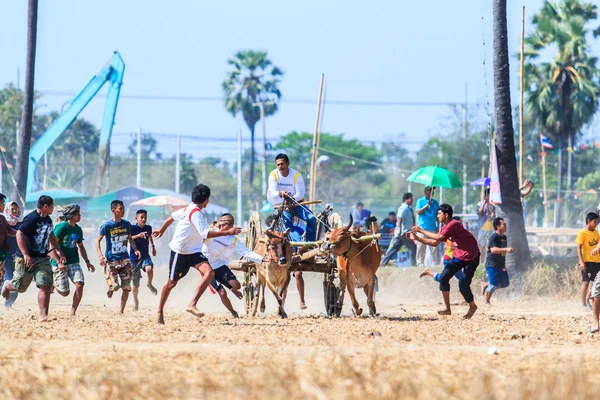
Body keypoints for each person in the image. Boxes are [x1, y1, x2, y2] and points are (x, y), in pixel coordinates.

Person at [152, 184, 241, 324]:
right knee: (171, 283)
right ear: (206, 199)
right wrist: (227, 232)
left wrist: (162, 230)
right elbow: (205, 233)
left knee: (209, 273)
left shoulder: (189, 208)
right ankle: (159, 311)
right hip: (180, 252)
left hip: (194, 252)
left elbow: (171, 217)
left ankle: (192, 304)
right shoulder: (195, 212)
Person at [408, 204, 480, 319]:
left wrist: (421, 230)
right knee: (443, 278)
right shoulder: (445, 228)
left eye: (439, 214)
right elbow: (434, 243)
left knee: (463, 285)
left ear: (446, 215)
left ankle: (472, 306)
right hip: (459, 255)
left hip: (472, 256)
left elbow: (436, 238)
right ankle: (447, 309)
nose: (437, 216)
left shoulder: (454, 224)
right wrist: (418, 239)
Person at [1, 195, 66, 322]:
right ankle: (8, 285)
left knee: (44, 284)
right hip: (25, 257)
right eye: (52, 206)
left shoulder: (48, 220)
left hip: (42, 257)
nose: (53, 208)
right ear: (45, 206)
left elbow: (50, 234)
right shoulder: (31, 219)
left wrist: (58, 250)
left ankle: (43, 315)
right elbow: (19, 233)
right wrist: (25, 254)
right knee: (20, 287)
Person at [267, 153, 315, 310]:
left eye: (282, 163)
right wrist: (281, 195)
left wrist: (291, 197)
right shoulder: (273, 175)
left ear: (288, 163)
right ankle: (298, 245)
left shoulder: (296, 176)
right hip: (281, 205)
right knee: (288, 226)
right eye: (278, 164)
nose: (280, 166)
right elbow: (271, 192)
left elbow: (301, 193)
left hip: (296, 203)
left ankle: (309, 245)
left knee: (312, 219)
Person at [201, 213, 264, 318]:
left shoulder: (232, 239)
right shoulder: (211, 233)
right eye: (230, 225)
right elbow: (198, 239)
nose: (232, 228)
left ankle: (233, 289)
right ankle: (233, 312)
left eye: (232, 225)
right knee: (222, 292)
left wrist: (262, 259)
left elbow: (246, 252)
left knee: (237, 285)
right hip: (206, 267)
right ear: (224, 225)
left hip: (219, 265)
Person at [95, 200, 141, 314]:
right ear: (113, 210)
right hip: (112, 260)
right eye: (120, 208)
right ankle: (111, 286)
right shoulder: (107, 226)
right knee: (115, 286)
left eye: (123, 208)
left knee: (126, 287)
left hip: (125, 259)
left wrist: (135, 249)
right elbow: (97, 241)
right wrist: (100, 256)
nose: (122, 210)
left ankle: (121, 311)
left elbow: (130, 238)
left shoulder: (126, 224)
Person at [52, 204, 96, 316]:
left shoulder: (78, 229)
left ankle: (73, 312)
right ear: (70, 215)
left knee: (80, 284)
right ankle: (53, 282)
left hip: (73, 261)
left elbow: (80, 246)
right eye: (77, 214)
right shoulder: (61, 227)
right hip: (59, 263)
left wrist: (87, 261)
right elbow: (52, 244)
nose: (80, 216)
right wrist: (58, 260)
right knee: (65, 292)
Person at [419, 217, 464, 290]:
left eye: (460, 224)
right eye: (458, 224)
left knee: (460, 278)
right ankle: (428, 272)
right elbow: (447, 246)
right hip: (449, 259)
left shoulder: (461, 234)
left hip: (456, 259)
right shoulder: (449, 234)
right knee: (450, 278)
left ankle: (463, 297)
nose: (460, 226)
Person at [481, 217, 514, 305]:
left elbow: (501, 250)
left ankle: (486, 284)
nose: (505, 225)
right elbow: (493, 250)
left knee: (505, 283)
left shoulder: (504, 237)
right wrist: (506, 249)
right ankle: (487, 302)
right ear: (497, 226)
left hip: (501, 264)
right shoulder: (494, 237)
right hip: (492, 264)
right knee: (494, 284)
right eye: (503, 224)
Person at [130, 209, 158, 311]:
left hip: (145, 256)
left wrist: (153, 246)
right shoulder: (133, 228)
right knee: (135, 284)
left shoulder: (148, 228)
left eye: (145, 217)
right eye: (141, 217)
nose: (143, 219)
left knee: (149, 269)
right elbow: (128, 238)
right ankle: (135, 300)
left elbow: (149, 236)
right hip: (134, 258)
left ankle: (149, 284)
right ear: (136, 218)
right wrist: (138, 235)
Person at [381, 193, 416, 266]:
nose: (412, 200)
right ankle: (413, 264)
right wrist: (399, 230)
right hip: (403, 232)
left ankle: (383, 262)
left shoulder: (408, 208)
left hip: (404, 232)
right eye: (410, 199)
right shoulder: (403, 208)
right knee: (412, 247)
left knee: (395, 247)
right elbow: (399, 218)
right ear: (406, 199)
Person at [576, 213, 600, 309]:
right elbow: (578, 247)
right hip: (587, 261)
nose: (596, 224)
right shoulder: (583, 233)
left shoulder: (596, 232)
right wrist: (581, 261)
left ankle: (589, 300)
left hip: (597, 261)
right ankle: (583, 304)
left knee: (596, 282)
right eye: (595, 222)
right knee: (586, 282)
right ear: (589, 221)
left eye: (597, 222)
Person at [414, 186, 440, 266]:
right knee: (421, 246)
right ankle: (420, 263)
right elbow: (418, 212)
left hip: (432, 228)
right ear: (426, 192)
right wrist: (426, 205)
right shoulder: (420, 201)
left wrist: (438, 226)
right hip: (422, 228)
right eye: (430, 190)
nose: (432, 192)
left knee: (434, 247)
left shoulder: (435, 202)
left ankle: (434, 263)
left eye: (432, 190)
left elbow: (437, 215)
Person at [3, 201, 21, 307]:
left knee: (17, 282)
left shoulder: (20, 224)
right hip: (5, 257)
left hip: (18, 257)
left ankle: (8, 305)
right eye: (12, 209)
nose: (15, 211)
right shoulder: (3, 223)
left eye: (16, 209)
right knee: (10, 280)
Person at [0, 193, 17, 284]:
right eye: (2, 202)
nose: (3, 204)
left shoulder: (2, 219)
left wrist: (20, 234)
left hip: (1, 255)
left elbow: (9, 230)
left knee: (0, 279)